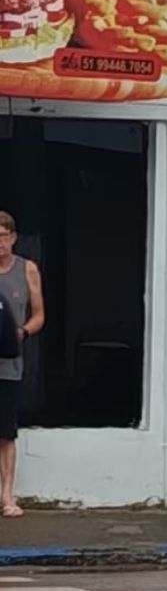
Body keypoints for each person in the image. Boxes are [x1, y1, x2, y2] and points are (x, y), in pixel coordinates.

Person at [0, 212, 44, 519]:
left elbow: (39, 315)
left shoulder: (27, 269)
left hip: (9, 364)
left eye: (3, 237)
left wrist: (22, 331)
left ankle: (7, 496)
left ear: (13, 238)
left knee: (6, 433)